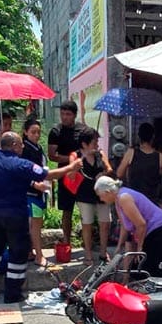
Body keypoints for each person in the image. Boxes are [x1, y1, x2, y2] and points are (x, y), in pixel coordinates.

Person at [0, 132, 81, 303]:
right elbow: (48, 175)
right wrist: (70, 167)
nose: (23, 147)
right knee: (18, 253)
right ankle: (12, 294)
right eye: (21, 144)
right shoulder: (21, 164)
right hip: (15, 216)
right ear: (14, 144)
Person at [95, 176, 162, 277]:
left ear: (107, 192)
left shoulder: (124, 197)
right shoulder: (117, 199)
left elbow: (141, 224)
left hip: (159, 229)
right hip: (149, 232)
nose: (101, 199)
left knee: (151, 269)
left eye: (101, 196)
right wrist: (119, 246)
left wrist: (139, 248)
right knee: (136, 269)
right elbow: (125, 225)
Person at [48, 100, 90, 247]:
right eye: (62, 114)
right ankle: (67, 241)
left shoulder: (83, 130)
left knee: (86, 208)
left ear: (74, 115)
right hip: (64, 175)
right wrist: (72, 160)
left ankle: (87, 242)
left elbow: (89, 149)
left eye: (68, 114)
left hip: (82, 175)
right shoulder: (56, 131)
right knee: (67, 210)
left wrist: (81, 161)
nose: (64, 117)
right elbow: (52, 155)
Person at [74, 128, 113, 265]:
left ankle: (103, 252)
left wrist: (103, 174)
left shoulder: (100, 153)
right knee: (87, 223)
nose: (97, 144)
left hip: (101, 193)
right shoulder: (76, 155)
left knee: (105, 223)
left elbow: (109, 168)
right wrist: (84, 157)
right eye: (94, 141)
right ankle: (88, 254)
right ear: (85, 144)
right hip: (84, 194)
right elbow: (71, 174)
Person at [20, 118, 50, 271]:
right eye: (33, 132)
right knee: (35, 224)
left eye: (38, 132)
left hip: (41, 191)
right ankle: (39, 255)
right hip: (30, 192)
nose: (36, 135)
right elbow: (23, 171)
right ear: (25, 132)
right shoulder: (24, 149)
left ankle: (30, 251)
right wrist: (34, 184)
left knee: (35, 223)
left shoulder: (38, 148)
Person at [116, 122, 162, 203]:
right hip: (151, 201)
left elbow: (119, 174)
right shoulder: (159, 156)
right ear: (153, 137)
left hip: (133, 200)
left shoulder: (131, 153)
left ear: (139, 136)